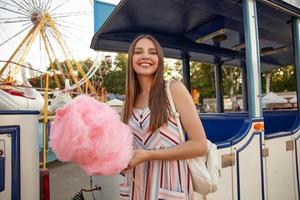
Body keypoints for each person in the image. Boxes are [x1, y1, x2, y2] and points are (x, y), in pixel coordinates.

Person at [121, 35, 207, 200]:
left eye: (152, 52)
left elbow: (200, 145)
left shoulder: (173, 89)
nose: (145, 56)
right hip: (136, 187)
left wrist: (149, 155)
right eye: (138, 52)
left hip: (170, 184)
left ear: (159, 59)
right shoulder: (128, 101)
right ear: (131, 59)